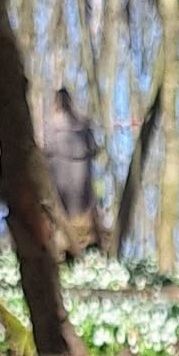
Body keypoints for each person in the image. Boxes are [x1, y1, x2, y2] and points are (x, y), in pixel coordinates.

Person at [45, 88, 102, 249]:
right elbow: (94, 149)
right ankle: (83, 243)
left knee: (62, 212)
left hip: (61, 182)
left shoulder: (51, 126)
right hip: (80, 183)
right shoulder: (84, 124)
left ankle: (66, 243)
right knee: (81, 215)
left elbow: (46, 151)